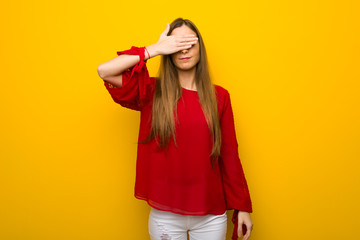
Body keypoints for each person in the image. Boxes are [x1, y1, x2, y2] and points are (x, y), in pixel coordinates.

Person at [97, 17, 254, 240]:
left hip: (210, 214)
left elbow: (229, 154)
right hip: (165, 215)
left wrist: (243, 206)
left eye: (190, 43)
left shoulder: (220, 97)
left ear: (201, 48)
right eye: (177, 45)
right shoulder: (151, 91)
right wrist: (154, 49)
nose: (184, 50)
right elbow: (104, 71)